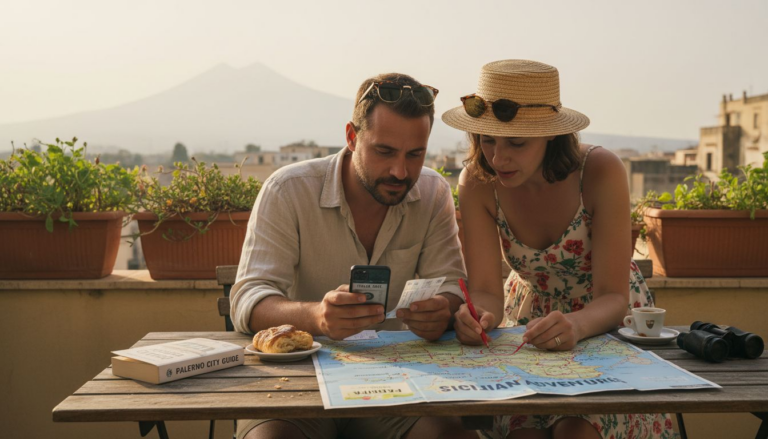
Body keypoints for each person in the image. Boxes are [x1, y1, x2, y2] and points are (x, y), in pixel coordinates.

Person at [230, 72, 474, 439]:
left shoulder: (434, 191)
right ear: (351, 137)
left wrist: (442, 309)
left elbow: (454, 287)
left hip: (398, 387)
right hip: (297, 381)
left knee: (448, 435)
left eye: (415, 154)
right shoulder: (287, 190)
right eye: (384, 151)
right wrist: (316, 317)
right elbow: (248, 299)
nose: (400, 171)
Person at [444, 60, 677, 439]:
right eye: (487, 139)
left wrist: (575, 324)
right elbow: (486, 289)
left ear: (550, 135)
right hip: (531, 323)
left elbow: (614, 296)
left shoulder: (600, 171)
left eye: (516, 143)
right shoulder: (477, 180)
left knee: (577, 432)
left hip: (604, 322)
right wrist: (478, 318)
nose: (498, 157)